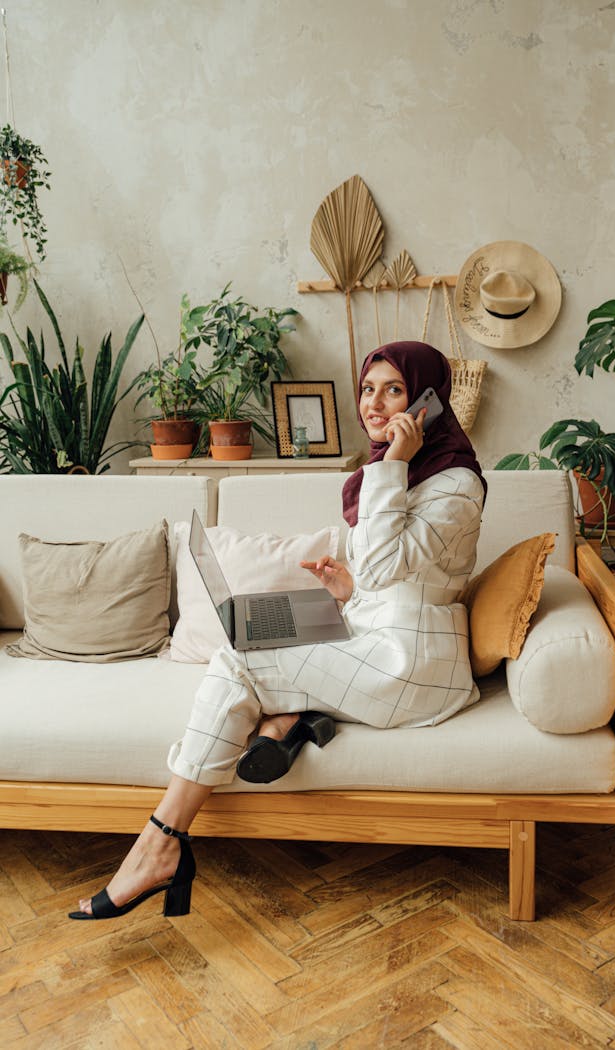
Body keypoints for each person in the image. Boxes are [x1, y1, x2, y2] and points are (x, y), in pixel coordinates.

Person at [70, 340, 486, 920]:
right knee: (260, 628)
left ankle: (159, 846)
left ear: (428, 401)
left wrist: (388, 467)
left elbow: (387, 562)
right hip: (374, 631)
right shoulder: (405, 470)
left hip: (412, 664)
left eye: (394, 390)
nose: (374, 404)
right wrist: (347, 590)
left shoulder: (455, 485)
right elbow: (379, 571)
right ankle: (285, 720)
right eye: (368, 389)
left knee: (237, 660)